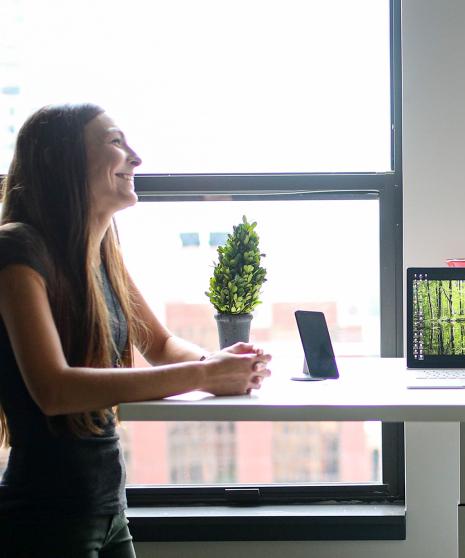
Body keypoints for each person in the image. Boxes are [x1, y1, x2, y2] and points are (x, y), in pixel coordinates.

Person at [0, 103, 272, 557]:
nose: (136, 157)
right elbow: (53, 389)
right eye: (115, 142)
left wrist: (224, 365)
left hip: (108, 511)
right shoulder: (15, 249)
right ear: (63, 160)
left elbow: (162, 345)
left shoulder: (101, 249)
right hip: (43, 520)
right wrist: (205, 376)